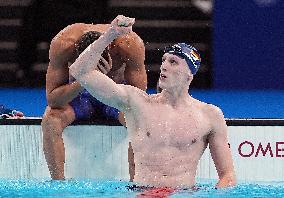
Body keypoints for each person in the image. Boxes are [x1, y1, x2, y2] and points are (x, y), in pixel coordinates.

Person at [69, 15, 236, 190]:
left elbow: (228, 176)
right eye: (164, 60)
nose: (164, 66)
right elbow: (80, 71)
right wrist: (110, 34)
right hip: (143, 192)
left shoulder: (210, 115)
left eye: (173, 62)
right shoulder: (136, 103)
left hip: (185, 194)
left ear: (189, 74)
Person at [41, 19, 147, 180]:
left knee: (140, 120)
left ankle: (136, 184)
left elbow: (140, 100)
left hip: (115, 94)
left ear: (110, 48)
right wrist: (85, 79)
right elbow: (53, 100)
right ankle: (58, 185)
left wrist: (104, 84)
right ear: (76, 53)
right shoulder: (63, 44)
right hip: (79, 96)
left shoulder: (129, 44)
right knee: (50, 120)